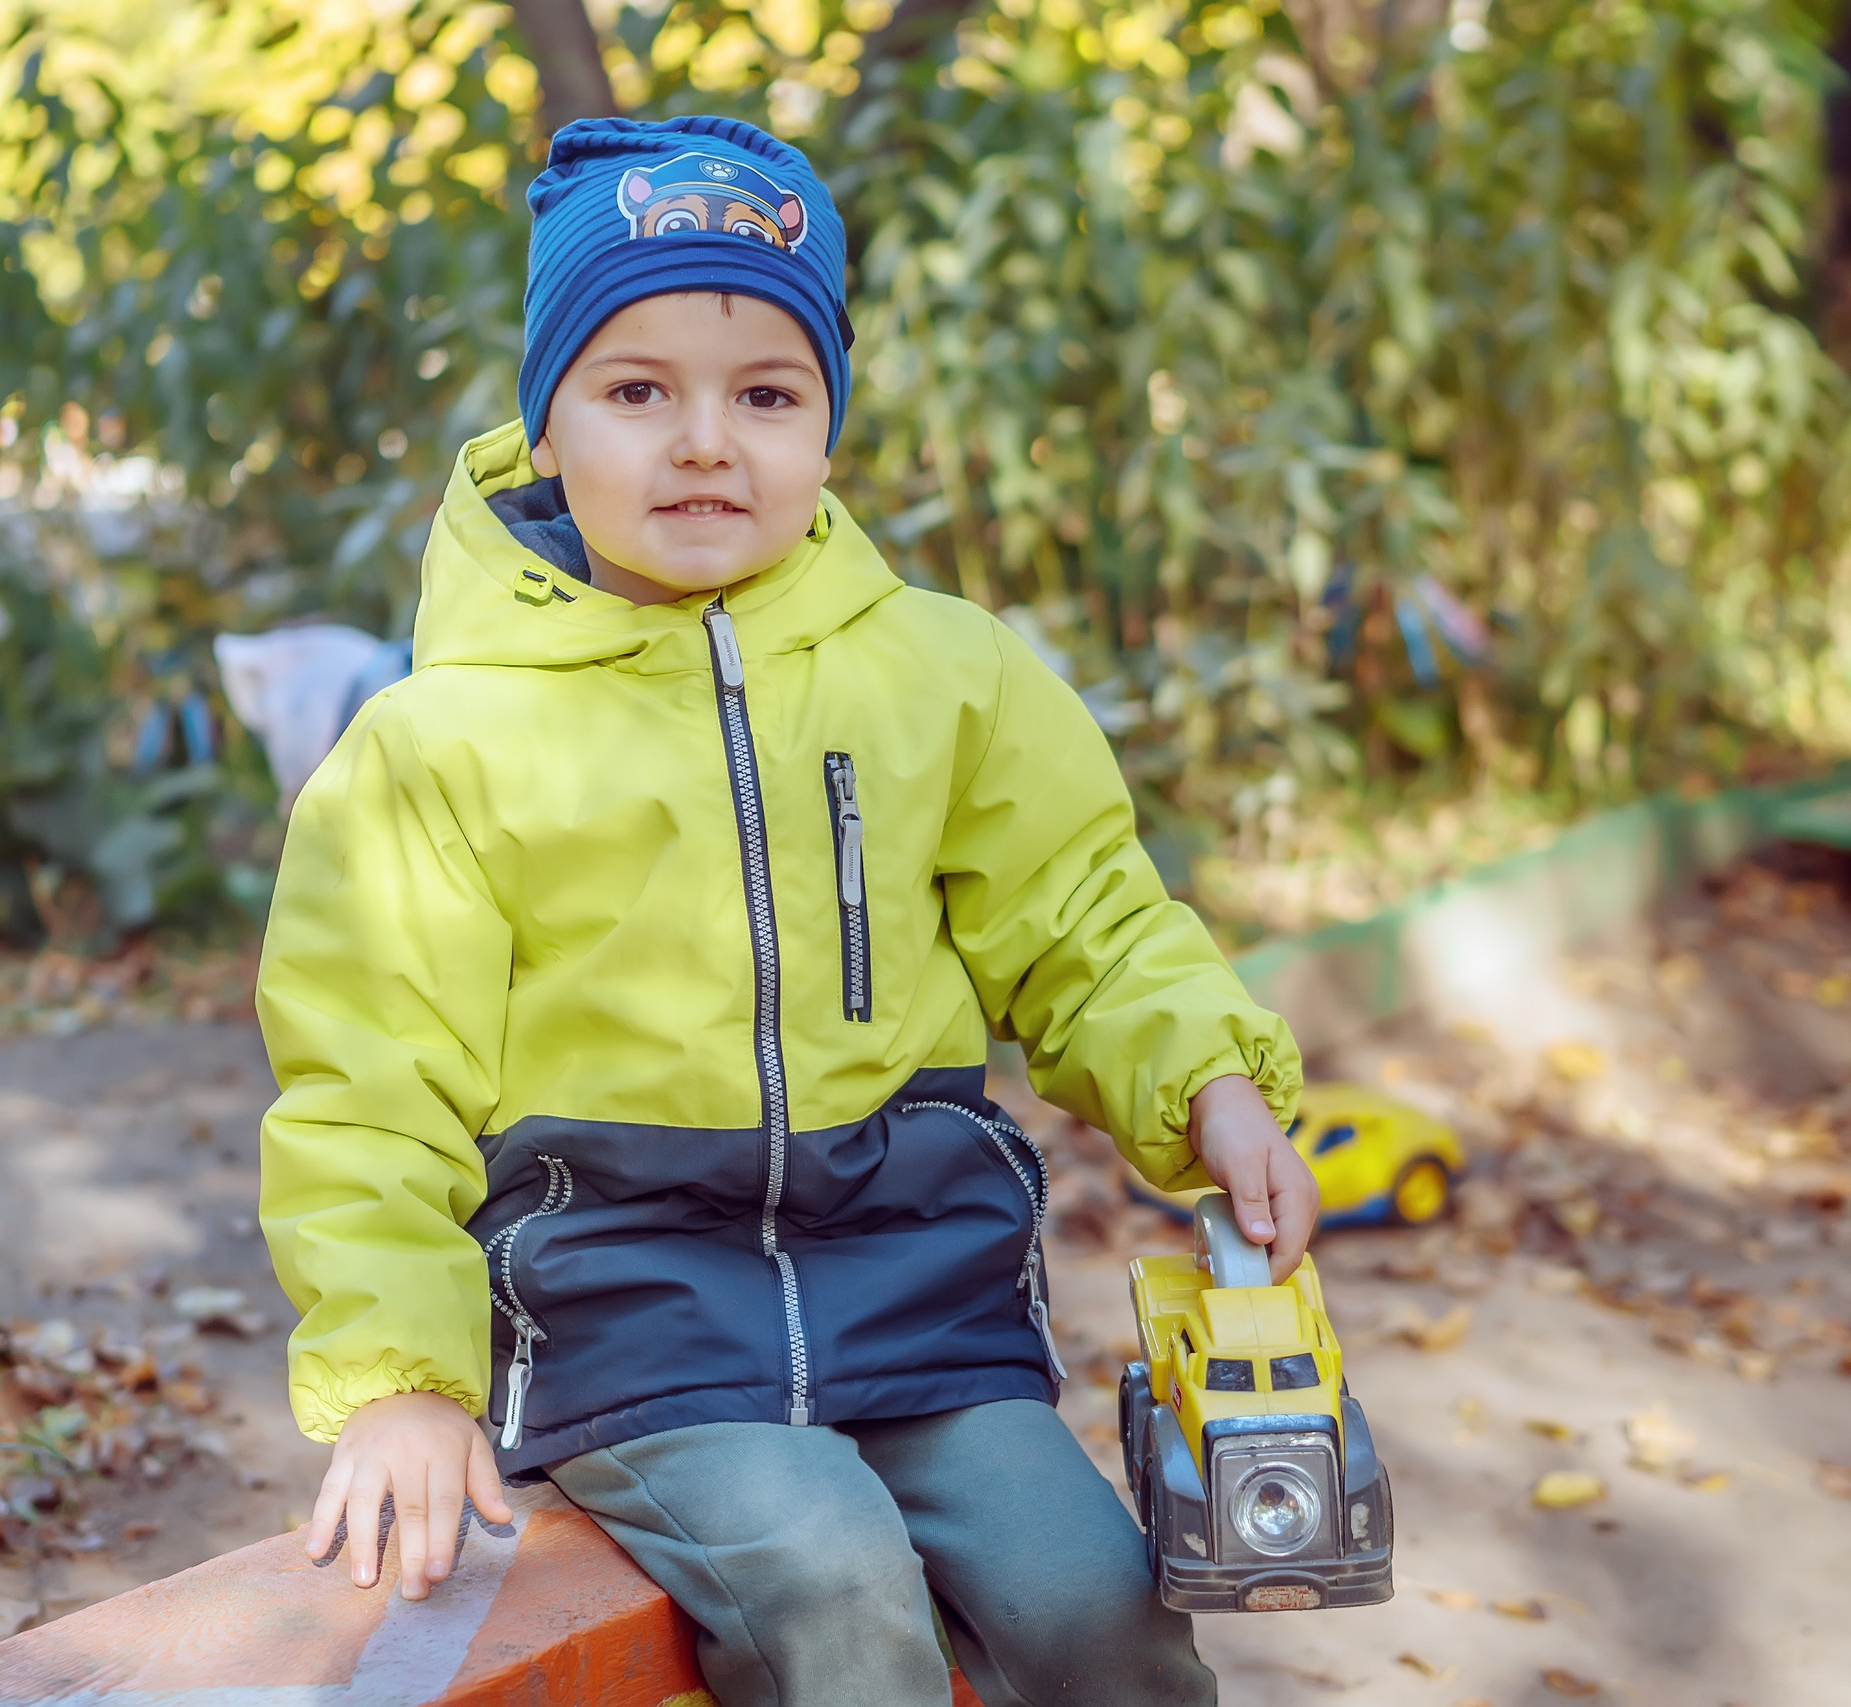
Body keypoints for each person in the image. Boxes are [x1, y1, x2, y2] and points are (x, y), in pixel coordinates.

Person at [255, 113, 1317, 1707]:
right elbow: (364, 1086)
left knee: (1097, 1602)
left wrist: (1211, 1082)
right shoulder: (438, 745)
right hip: (631, 1318)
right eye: (636, 392)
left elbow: (1086, 914)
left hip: (921, 1296)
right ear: (544, 425)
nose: (704, 442)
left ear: (827, 426)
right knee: (832, 1585)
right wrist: (401, 1379)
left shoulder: (945, 672)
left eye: (765, 395)